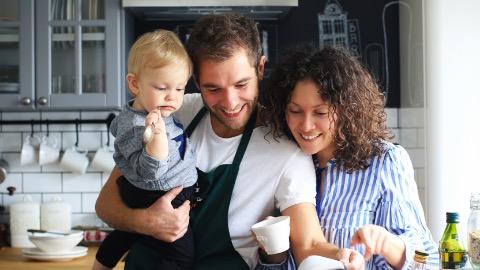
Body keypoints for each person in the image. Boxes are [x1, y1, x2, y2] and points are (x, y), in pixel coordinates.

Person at [95, 14, 365, 270]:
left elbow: (308, 243)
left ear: (260, 67)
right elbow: (106, 204)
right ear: (196, 82)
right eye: (213, 89)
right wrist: (147, 222)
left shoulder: (287, 152)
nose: (230, 102)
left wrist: (340, 255)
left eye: (241, 84)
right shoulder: (177, 114)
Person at [261, 45, 439, 269]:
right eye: (295, 111)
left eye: (321, 113)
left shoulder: (384, 161)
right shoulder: (285, 162)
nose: (306, 125)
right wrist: (272, 255)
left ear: (346, 109)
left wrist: (389, 245)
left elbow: (429, 260)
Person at [92, 30, 197, 270]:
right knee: (181, 254)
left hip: (160, 191)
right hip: (157, 192)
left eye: (180, 89)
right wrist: (158, 137)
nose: (173, 97)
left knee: (127, 234)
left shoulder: (156, 111)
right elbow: (151, 170)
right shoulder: (137, 125)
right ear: (134, 84)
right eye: (162, 88)